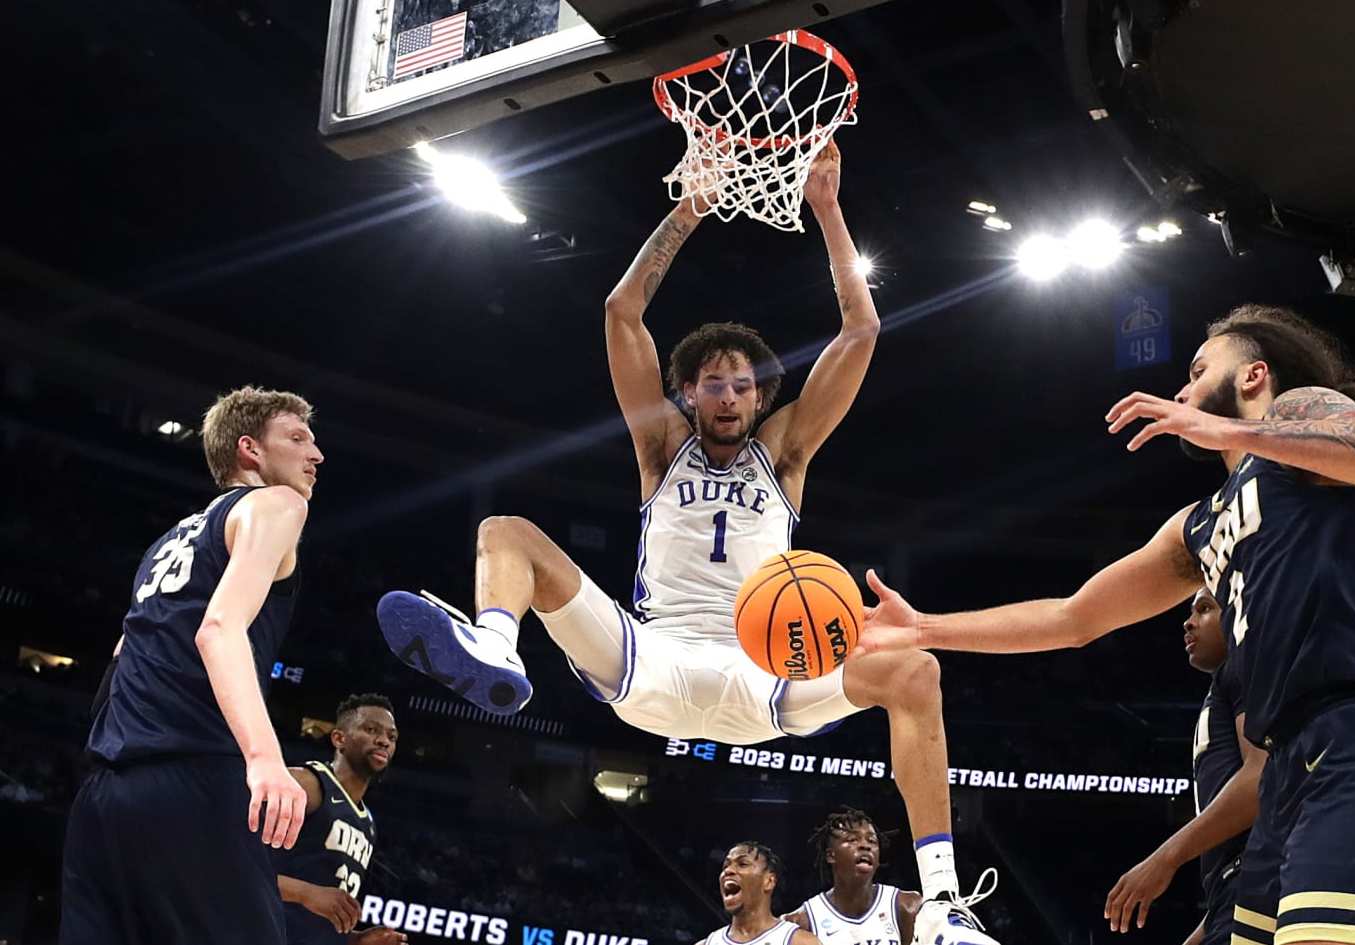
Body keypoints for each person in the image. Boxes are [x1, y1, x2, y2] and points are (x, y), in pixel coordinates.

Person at [377, 142, 994, 933]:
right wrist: (690, 205)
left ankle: (941, 902)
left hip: (767, 675)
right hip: (651, 660)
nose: (728, 395)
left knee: (914, 672)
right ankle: (498, 645)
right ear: (686, 392)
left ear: (762, 393)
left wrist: (828, 210)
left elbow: (862, 327)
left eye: (742, 383)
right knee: (507, 531)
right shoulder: (658, 447)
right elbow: (619, 313)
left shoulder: (788, 450)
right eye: (712, 382)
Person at [858, 305, 1355, 945]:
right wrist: (925, 628)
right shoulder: (1197, 524)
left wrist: (1228, 431)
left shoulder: (1305, 420)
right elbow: (1073, 617)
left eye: (1198, 370)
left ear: (1253, 375)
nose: (1182, 390)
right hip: (1286, 762)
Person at [61, 386, 323, 945]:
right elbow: (218, 630)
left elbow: (121, 659)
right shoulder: (277, 504)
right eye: (298, 438)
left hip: (105, 798)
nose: (316, 454)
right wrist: (265, 759)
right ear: (250, 450)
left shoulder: (165, 545)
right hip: (194, 779)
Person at [1104, 590, 1264, 945]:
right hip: (1235, 895)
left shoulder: (1243, 667)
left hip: (1259, 887)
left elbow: (1259, 780)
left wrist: (1164, 859)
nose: (1188, 622)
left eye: (1205, 609)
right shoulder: (1224, 685)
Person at [275, 693, 407, 945]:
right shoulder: (306, 784)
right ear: (339, 738)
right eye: (371, 730)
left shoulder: (367, 823)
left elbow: (314, 924)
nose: (383, 741)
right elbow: (231, 864)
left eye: (392, 737)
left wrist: (356, 941)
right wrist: (305, 893)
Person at [786, 807, 923, 945]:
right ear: (831, 855)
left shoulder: (906, 906)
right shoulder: (801, 922)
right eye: (853, 840)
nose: (865, 846)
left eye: (872, 841)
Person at [701, 842, 820, 945]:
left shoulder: (799, 941)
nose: (728, 871)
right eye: (725, 866)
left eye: (743, 864)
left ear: (769, 881)